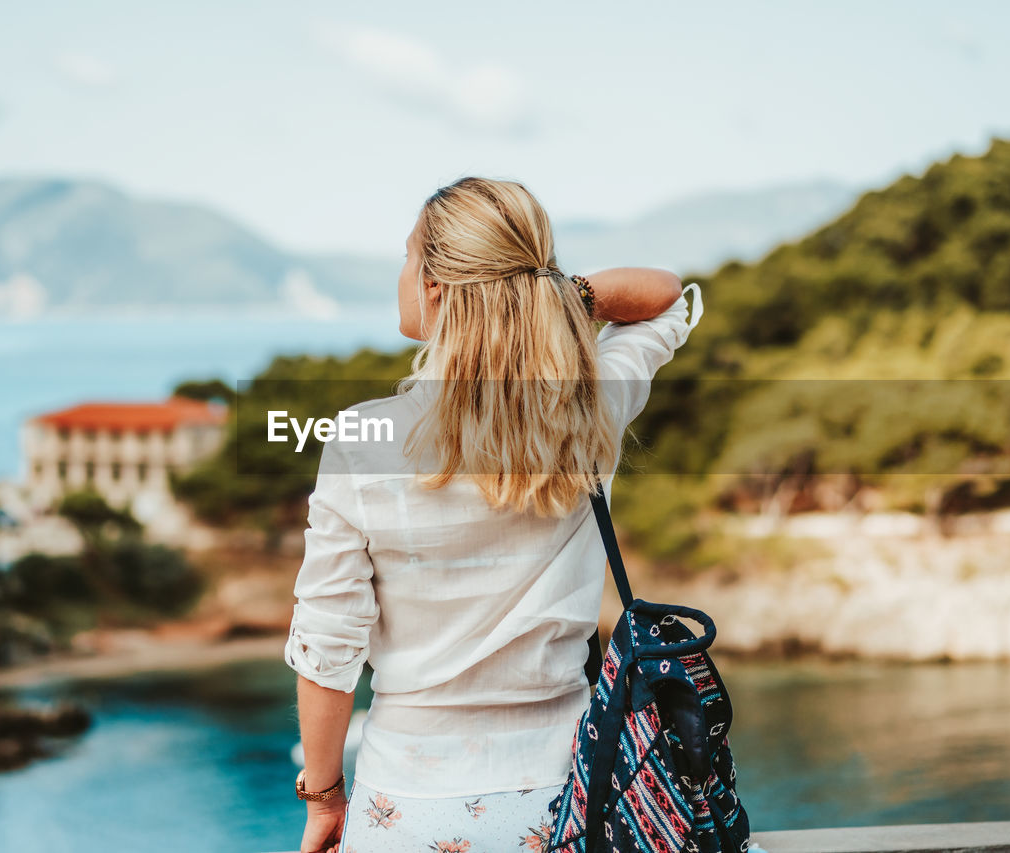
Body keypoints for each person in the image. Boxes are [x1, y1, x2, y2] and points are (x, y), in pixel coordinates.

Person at [284, 176, 703, 853]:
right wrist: (558, 296)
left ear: (436, 288)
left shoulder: (361, 441)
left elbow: (327, 647)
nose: (402, 272)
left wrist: (325, 796)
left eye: (408, 256)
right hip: (571, 796)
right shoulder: (591, 407)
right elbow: (663, 302)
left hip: (410, 808)